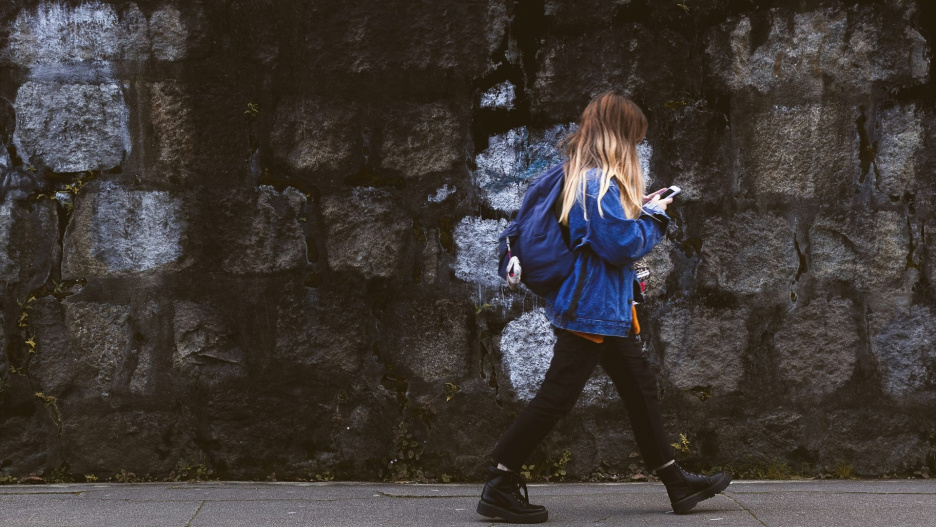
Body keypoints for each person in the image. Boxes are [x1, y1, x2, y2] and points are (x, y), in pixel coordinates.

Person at [477, 92, 731, 524]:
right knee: (557, 398)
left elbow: (604, 238)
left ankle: (677, 483)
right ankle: (499, 482)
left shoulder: (581, 178)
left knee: (639, 389)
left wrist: (637, 209)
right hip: (590, 310)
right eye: (633, 138)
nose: (635, 147)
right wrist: (653, 216)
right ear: (618, 136)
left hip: (606, 309)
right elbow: (619, 245)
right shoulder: (596, 182)